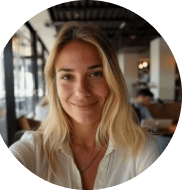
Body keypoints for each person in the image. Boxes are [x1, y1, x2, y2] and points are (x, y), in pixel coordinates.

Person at [9, 22, 160, 189]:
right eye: (67, 76)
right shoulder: (33, 150)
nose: (81, 91)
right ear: (54, 85)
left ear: (112, 81)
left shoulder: (141, 149)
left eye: (95, 74)